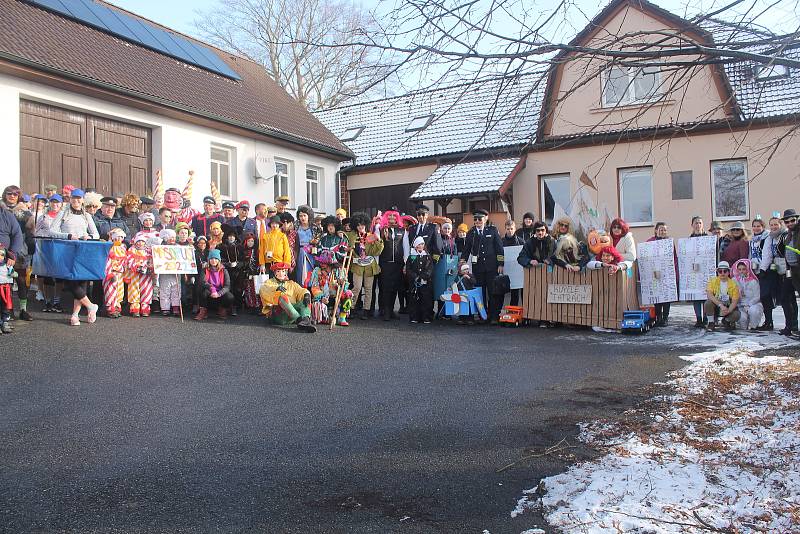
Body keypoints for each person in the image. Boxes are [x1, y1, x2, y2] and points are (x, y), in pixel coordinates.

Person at [48, 189, 102, 326]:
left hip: (83, 250)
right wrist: (68, 236)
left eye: (79, 199)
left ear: (83, 200)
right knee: (69, 282)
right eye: (74, 198)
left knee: (81, 283)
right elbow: (52, 231)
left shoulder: (86, 215)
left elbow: (96, 234)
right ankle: (90, 306)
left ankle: (75, 315)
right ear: (70, 199)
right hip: (66, 250)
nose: (76, 201)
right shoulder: (63, 213)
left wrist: (88, 237)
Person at [459, 209, 504, 323]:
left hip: (491, 267)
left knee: (492, 292)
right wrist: (462, 261)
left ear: (486, 219)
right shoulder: (471, 232)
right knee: (480, 292)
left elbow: (499, 248)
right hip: (478, 267)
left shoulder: (492, 230)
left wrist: (501, 264)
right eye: (475, 219)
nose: (477, 221)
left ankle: (493, 316)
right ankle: (482, 315)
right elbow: (466, 249)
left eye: (480, 219)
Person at [1, 185, 33, 321]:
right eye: (9, 193)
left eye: (15, 194)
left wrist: (32, 248)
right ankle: (8, 310)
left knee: (21, 281)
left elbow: (31, 231)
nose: (12, 196)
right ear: (5, 195)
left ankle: (23, 310)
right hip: (3, 252)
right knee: (5, 282)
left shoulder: (25, 212)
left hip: (21, 250)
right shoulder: (2, 210)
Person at [258, 261, 315, 332]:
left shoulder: (291, 284)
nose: (281, 273)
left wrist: (306, 294)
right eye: (278, 271)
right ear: (274, 272)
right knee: (282, 296)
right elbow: (263, 289)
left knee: (305, 299)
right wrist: (276, 289)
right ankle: (299, 320)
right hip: (277, 314)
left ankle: (305, 320)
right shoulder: (269, 282)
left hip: (290, 316)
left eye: (283, 271)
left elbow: (301, 290)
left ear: (286, 272)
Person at [349, 212, 383, 320]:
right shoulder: (352, 236)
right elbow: (347, 245)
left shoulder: (371, 236)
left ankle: (366, 310)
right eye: (358, 225)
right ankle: (350, 308)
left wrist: (379, 240)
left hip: (369, 265)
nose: (360, 227)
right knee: (357, 287)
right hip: (357, 265)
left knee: (368, 289)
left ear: (366, 225)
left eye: (362, 225)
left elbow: (377, 251)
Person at [646, 222, 678, 326]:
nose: (663, 231)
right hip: (654, 272)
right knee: (657, 295)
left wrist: (674, 272)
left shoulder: (669, 242)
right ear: (656, 230)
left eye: (664, 229)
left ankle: (665, 317)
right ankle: (658, 317)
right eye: (660, 229)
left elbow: (674, 257)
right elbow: (645, 256)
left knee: (666, 296)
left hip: (667, 272)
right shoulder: (650, 242)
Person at [756, 216, 785, 331]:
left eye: (776, 224)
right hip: (772, 269)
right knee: (765, 295)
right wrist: (763, 269)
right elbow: (767, 254)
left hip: (784, 269)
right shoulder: (769, 238)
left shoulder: (784, 235)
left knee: (786, 298)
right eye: (771, 225)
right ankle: (769, 321)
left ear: (780, 224)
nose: (773, 227)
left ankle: (791, 324)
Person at [776, 209, 800, 336]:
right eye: (787, 221)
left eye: (792, 220)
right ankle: (790, 326)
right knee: (785, 298)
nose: (790, 223)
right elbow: (782, 249)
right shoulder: (787, 234)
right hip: (790, 270)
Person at [378, 210, 405, 321]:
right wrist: (377, 263)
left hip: (398, 264)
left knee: (395, 287)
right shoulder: (381, 230)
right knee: (385, 288)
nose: (392, 218)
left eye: (394, 216)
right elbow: (377, 247)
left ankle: (392, 309)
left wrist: (405, 263)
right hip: (385, 264)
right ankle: (386, 311)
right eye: (389, 216)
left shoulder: (402, 230)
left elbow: (406, 247)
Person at [194, 248, 233, 320]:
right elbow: (203, 282)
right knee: (202, 291)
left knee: (230, 296)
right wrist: (212, 289)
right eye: (211, 258)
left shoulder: (224, 270)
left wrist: (219, 293)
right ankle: (203, 311)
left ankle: (222, 309)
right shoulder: (205, 270)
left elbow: (227, 286)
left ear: (219, 260)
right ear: (209, 260)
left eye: (216, 258)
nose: (213, 260)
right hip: (209, 291)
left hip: (219, 293)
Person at [406, 236, 434, 324]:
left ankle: (426, 317)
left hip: (425, 282)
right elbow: (408, 268)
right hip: (414, 282)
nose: (420, 246)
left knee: (426, 299)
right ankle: (415, 317)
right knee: (414, 299)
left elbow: (430, 268)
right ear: (415, 246)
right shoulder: (411, 256)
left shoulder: (427, 256)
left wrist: (424, 276)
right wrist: (415, 276)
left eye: (422, 244)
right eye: (419, 244)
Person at [705, 261, 740, 331]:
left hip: (728, 306)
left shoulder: (734, 284)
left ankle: (726, 321)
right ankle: (711, 323)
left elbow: (734, 301)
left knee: (737, 315)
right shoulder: (712, 281)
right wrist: (720, 305)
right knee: (708, 303)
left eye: (725, 271)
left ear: (728, 272)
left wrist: (729, 310)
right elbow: (709, 295)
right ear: (717, 272)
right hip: (717, 306)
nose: (722, 273)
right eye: (720, 271)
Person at [125, 233, 153, 318]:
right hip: (134, 274)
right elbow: (128, 261)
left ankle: (145, 308)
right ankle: (135, 308)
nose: (140, 243)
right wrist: (136, 267)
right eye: (138, 241)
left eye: (142, 241)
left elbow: (152, 261)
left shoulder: (148, 251)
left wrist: (149, 267)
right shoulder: (131, 250)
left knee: (146, 290)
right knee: (134, 291)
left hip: (146, 275)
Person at [156, 229, 183, 317]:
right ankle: (165, 308)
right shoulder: (160, 248)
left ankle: (175, 307)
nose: (173, 239)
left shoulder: (178, 247)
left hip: (176, 272)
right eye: (171, 237)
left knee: (176, 290)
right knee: (165, 290)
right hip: (165, 272)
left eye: (174, 237)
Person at [103, 228, 127, 318]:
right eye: (116, 237)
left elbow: (125, 261)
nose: (118, 239)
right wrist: (110, 273)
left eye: (120, 237)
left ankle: (117, 307)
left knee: (119, 291)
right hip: (111, 272)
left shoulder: (123, 248)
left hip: (120, 273)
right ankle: (110, 309)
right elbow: (107, 261)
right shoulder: (109, 247)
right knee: (110, 291)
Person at [732, 259, 763, 330]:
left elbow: (757, 296)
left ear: (748, 269)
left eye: (744, 269)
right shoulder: (734, 280)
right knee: (742, 319)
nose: (741, 271)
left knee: (753, 311)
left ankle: (753, 327)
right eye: (739, 269)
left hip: (753, 304)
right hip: (740, 305)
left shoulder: (753, 281)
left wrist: (749, 305)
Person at [219, 227, 244, 316]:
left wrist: (237, 264)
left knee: (237, 290)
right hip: (226, 271)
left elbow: (243, 261)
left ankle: (235, 307)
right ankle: (226, 306)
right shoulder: (221, 247)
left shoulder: (240, 247)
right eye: (229, 236)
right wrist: (227, 264)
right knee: (226, 288)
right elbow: (219, 260)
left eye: (233, 236)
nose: (231, 238)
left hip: (237, 272)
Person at [689, 216, 708, 327]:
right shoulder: (689, 240)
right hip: (694, 271)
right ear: (692, 225)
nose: (698, 225)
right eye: (696, 223)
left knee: (706, 294)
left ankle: (705, 318)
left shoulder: (708, 239)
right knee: (696, 295)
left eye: (700, 223)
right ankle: (698, 318)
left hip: (706, 270)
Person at [501, 219, 524, 306]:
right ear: (505, 229)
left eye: (511, 229)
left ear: (515, 229)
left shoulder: (521, 241)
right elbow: (499, 255)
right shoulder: (501, 241)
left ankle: (523, 313)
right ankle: (510, 311)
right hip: (506, 270)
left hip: (518, 271)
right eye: (508, 229)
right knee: (504, 292)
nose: (510, 231)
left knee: (518, 293)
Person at [293, 205, 316, 285]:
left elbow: (319, 240)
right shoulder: (295, 226)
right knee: (300, 272)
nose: (302, 218)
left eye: (304, 215)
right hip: (300, 253)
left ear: (308, 216)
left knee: (311, 273)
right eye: (300, 216)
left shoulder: (314, 227)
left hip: (311, 253)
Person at [0, 244, 18, 333]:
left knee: (5, 306)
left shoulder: (7, 265)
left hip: (6, 288)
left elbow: (14, 274)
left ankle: (5, 322)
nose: (0, 257)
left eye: (2, 255)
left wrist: (13, 274)